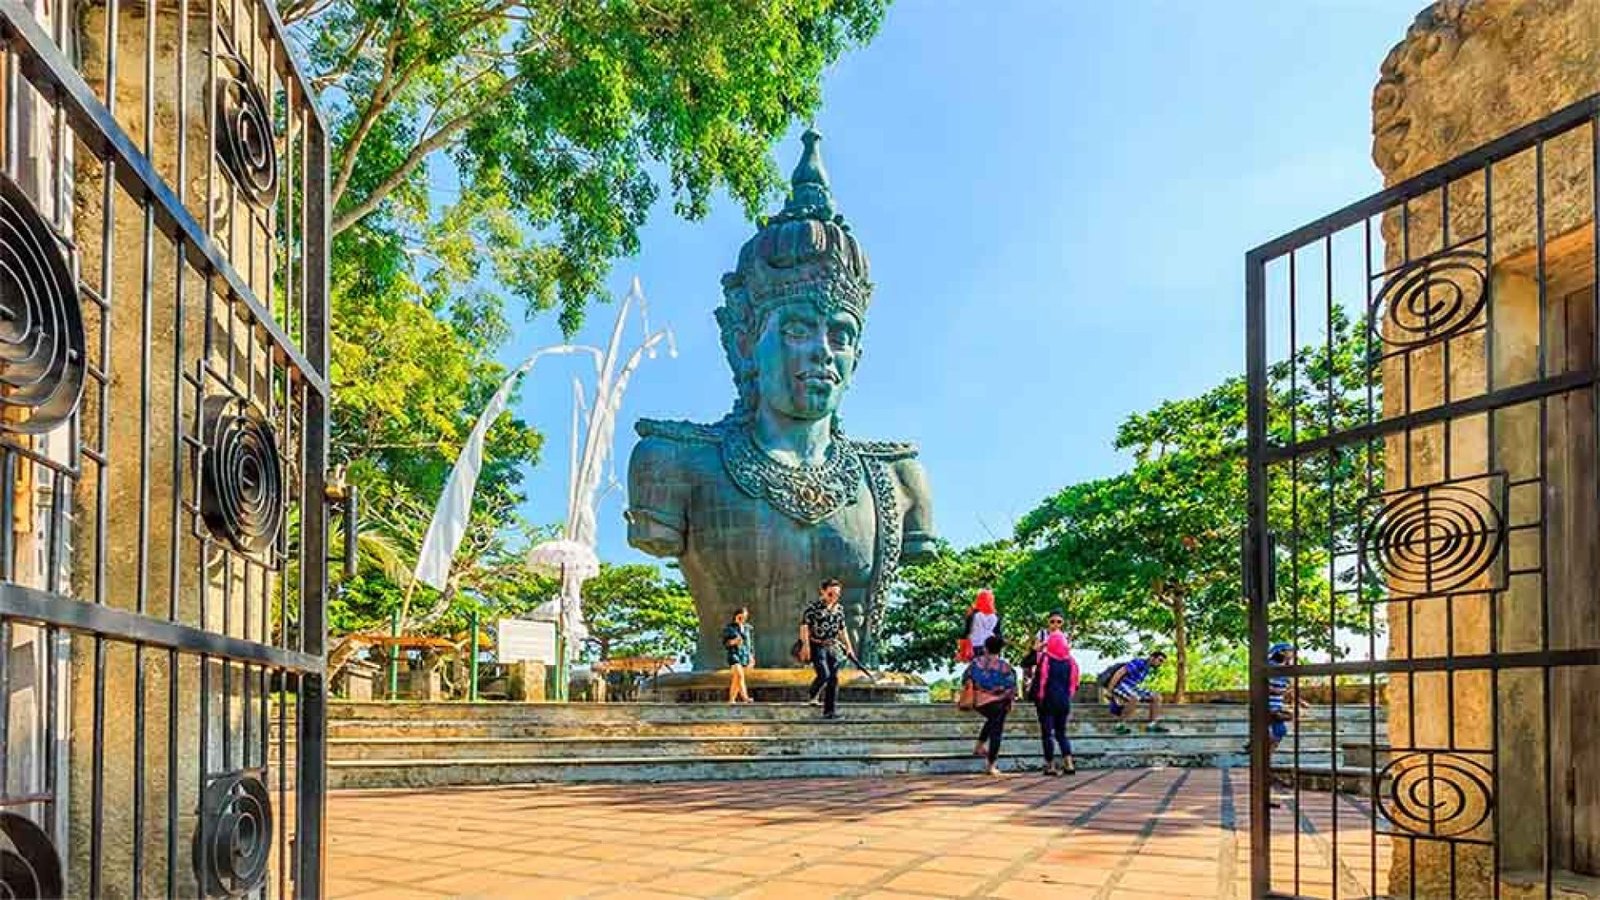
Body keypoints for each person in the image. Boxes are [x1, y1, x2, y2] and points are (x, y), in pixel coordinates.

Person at [961, 634, 1017, 776]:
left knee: (993, 719)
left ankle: (979, 746)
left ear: (985, 648)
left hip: (978, 702)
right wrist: (1008, 700)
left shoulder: (975, 663)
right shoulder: (1005, 667)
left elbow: (965, 679)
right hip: (997, 703)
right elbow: (1011, 687)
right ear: (999, 650)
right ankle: (991, 765)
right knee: (997, 726)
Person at [799, 578, 852, 719]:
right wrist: (805, 646)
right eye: (830, 594)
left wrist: (848, 646)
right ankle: (813, 692)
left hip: (832, 645)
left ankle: (830, 711)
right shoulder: (813, 608)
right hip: (816, 645)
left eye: (836, 595)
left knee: (834, 678)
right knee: (824, 674)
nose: (833, 597)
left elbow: (842, 629)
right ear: (822, 592)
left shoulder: (839, 609)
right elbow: (804, 627)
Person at [1032, 630, 1079, 776]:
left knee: (1047, 734)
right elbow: (1074, 682)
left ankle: (1050, 765)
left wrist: (1039, 697)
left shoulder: (1046, 658)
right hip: (1064, 701)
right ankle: (1069, 763)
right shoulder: (1071, 661)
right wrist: (1068, 696)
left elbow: (1042, 680)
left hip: (1048, 700)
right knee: (1061, 733)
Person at [1100, 650, 1168, 734]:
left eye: (1162, 662)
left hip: (1132, 688)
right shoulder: (1138, 662)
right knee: (1134, 697)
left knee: (1157, 697)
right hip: (1122, 685)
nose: (1160, 664)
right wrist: (1109, 691)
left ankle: (1152, 725)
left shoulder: (1147, 669)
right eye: (1160, 660)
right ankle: (1120, 726)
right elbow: (1120, 673)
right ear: (1152, 657)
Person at [723, 607, 755, 704]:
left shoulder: (748, 628)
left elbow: (751, 644)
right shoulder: (729, 628)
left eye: (745, 616)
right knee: (740, 675)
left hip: (744, 655)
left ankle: (732, 699)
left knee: (737, 678)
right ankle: (745, 697)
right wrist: (733, 641)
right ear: (737, 616)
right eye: (741, 616)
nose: (743, 618)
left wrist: (751, 657)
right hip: (734, 654)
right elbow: (726, 643)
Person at [959, 589, 1002, 661]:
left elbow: (966, 632)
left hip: (974, 646)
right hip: (990, 647)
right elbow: (998, 633)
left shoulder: (972, 614)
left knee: (976, 669)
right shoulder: (996, 616)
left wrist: (962, 650)